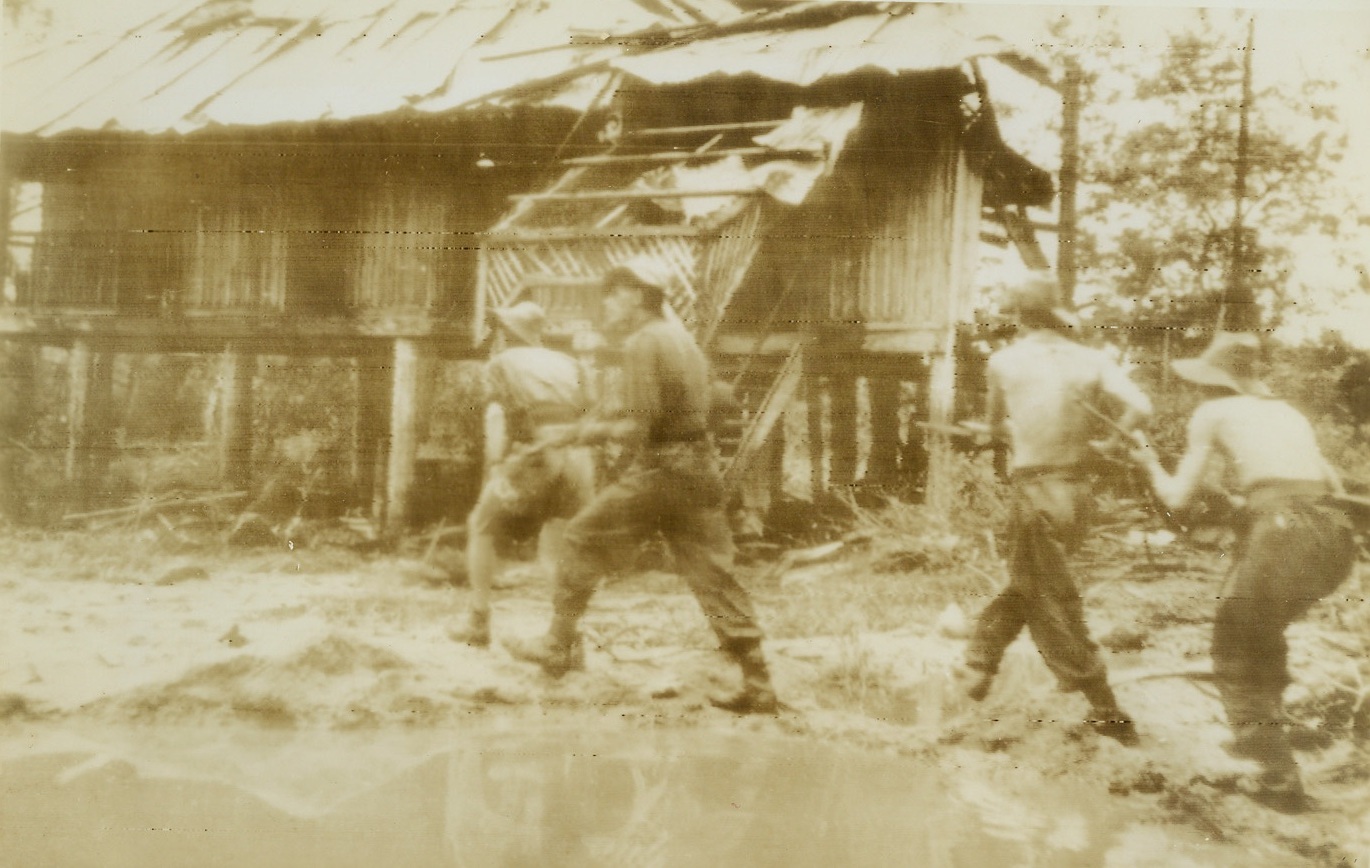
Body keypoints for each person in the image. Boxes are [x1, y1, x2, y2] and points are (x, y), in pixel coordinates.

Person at [503, 255, 779, 715]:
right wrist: (575, 431)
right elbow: (692, 404)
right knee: (713, 574)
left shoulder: (642, 343)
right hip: (699, 470)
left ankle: (557, 646)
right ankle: (759, 683)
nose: (607, 303)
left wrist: (582, 434)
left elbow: (636, 428)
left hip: (661, 471)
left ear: (638, 296)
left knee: (579, 537)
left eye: (614, 293)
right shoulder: (682, 340)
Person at [1129, 330, 1356, 813]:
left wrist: (1149, 463)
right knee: (1263, 631)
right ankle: (1265, 735)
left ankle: (1277, 777)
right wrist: (1248, 501)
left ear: (1218, 381)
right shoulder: (1289, 413)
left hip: (1282, 533)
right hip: (1332, 536)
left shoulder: (1213, 412)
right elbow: (1325, 484)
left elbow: (1175, 498)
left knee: (1234, 647)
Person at [958, 273, 1151, 746]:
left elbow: (994, 428)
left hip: (1035, 491)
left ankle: (1106, 708)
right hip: (1079, 495)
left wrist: (997, 433)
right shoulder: (1091, 359)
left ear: (1019, 316)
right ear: (1056, 315)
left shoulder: (1004, 362)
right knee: (1034, 583)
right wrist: (1106, 439)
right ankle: (979, 664)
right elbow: (1142, 406)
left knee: (1046, 597)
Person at [449, 300, 595, 647]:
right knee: (555, 548)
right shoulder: (570, 362)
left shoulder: (502, 363)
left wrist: (495, 467)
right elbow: (592, 412)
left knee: (482, 526)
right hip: (579, 456)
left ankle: (478, 622)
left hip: (536, 454)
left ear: (507, 333)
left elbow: (497, 417)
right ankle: (565, 638)